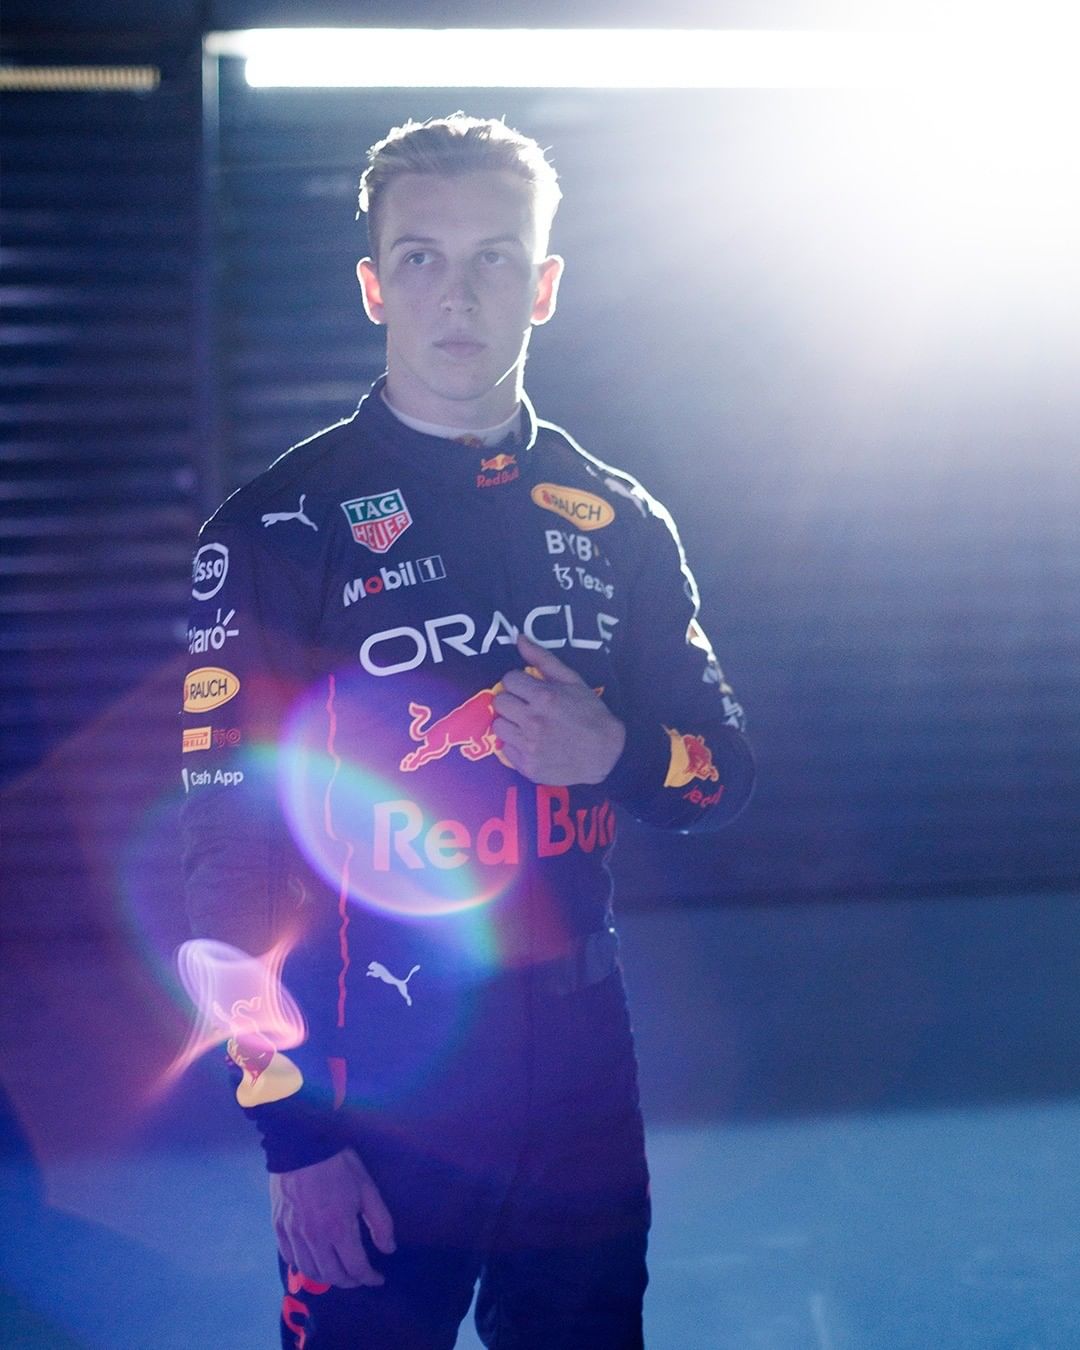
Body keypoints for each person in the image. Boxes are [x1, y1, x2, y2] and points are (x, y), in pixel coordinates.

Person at [180, 113, 754, 1350]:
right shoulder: (280, 528)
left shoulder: (620, 520)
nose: (460, 293)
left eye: (496, 256)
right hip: (370, 1079)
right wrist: (292, 1134)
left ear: (543, 285)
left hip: (583, 1075)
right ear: (374, 286)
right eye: (423, 257)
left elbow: (720, 776)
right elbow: (225, 860)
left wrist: (617, 752)